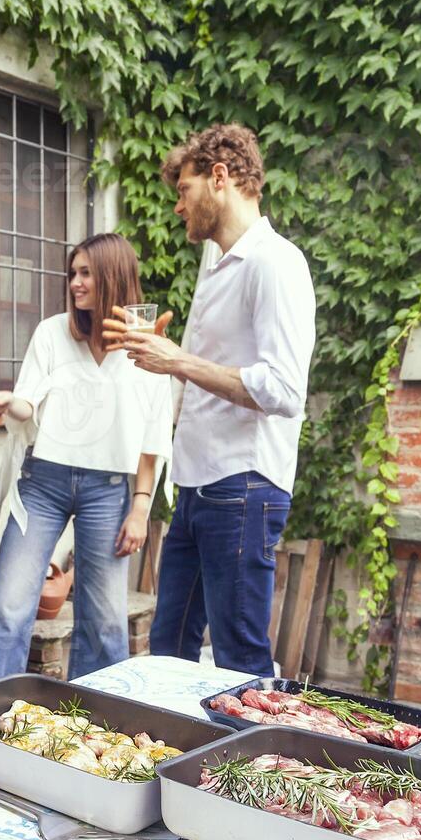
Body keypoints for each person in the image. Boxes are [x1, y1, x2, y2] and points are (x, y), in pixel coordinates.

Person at [106, 123, 316, 676]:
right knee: (167, 654)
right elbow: (196, 378)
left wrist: (177, 359)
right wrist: (157, 358)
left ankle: (261, 766)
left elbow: (285, 389)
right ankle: (165, 764)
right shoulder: (215, 263)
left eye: (185, 189)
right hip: (195, 488)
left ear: (219, 177)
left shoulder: (276, 263)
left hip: (245, 486)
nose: (178, 207)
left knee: (240, 660)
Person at [0, 233, 172, 684]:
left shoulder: (144, 343)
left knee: (105, 621)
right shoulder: (52, 333)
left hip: (110, 490)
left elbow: (153, 436)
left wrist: (140, 508)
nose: (75, 283)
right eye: (72, 273)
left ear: (112, 277)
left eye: (86, 273)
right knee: (7, 608)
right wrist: (7, 402)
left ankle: (97, 728)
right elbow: (27, 405)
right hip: (43, 482)